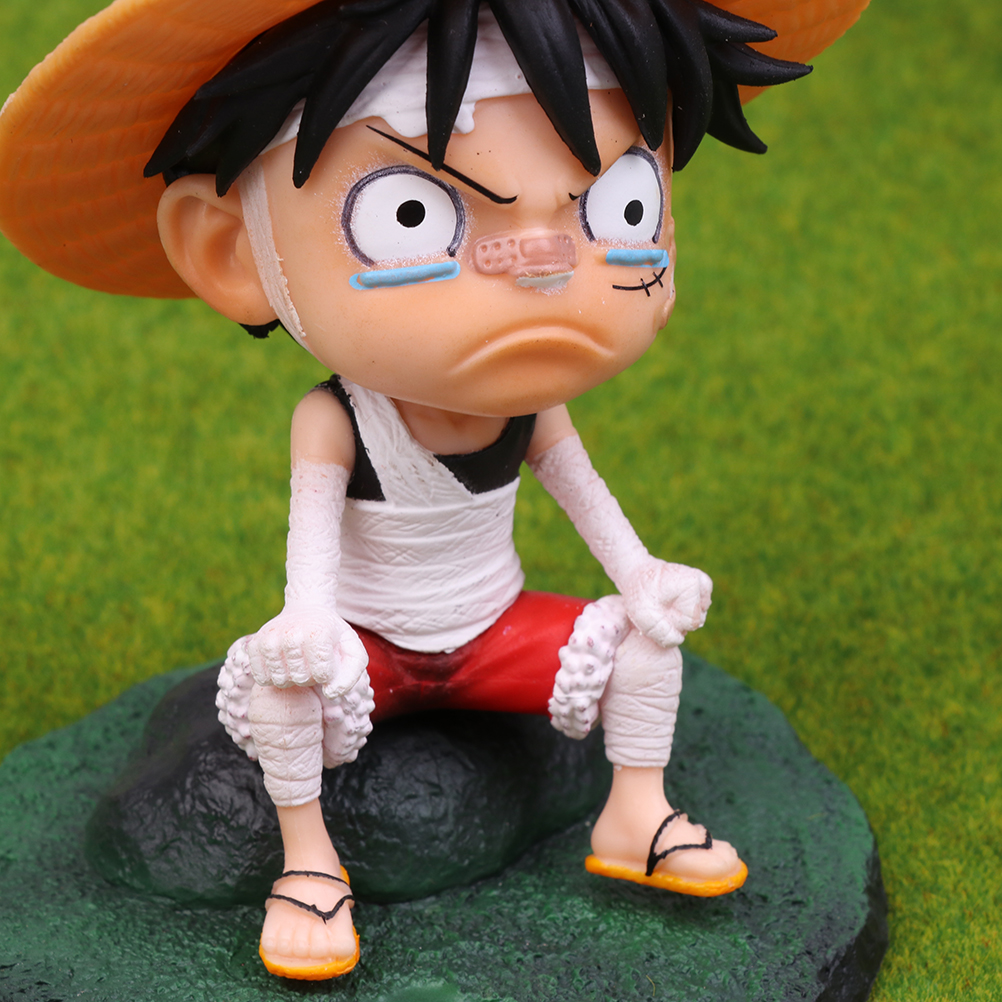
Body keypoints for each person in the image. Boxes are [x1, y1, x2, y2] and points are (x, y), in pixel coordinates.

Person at [0, 0, 870, 982]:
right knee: (281, 693)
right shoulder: (336, 420)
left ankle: (636, 810)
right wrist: (305, 623)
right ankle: (309, 864)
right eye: (409, 216)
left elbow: (586, 497)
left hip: (495, 635)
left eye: (621, 204)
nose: (542, 264)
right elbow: (309, 543)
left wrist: (643, 575)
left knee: (643, 642)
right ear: (232, 252)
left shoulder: (531, 411)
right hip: (368, 646)